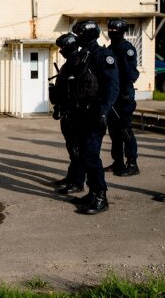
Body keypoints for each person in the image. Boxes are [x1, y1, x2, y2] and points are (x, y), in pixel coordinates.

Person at [69, 20, 119, 214]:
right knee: (84, 155)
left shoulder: (102, 56)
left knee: (91, 155)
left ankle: (101, 196)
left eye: (79, 34)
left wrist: (103, 111)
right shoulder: (83, 56)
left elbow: (111, 87)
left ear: (89, 35)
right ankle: (92, 192)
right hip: (81, 113)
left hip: (95, 114)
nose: (77, 38)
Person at [49, 33, 85, 195]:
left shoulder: (78, 63)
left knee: (76, 148)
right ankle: (72, 177)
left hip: (76, 112)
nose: (61, 50)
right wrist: (57, 105)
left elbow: (74, 90)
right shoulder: (69, 63)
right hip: (66, 110)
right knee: (71, 147)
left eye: (63, 47)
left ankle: (78, 182)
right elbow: (62, 89)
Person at [104, 19, 141, 177]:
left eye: (114, 30)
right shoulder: (111, 48)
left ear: (122, 31)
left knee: (125, 130)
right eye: (110, 30)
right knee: (114, 131)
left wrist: (123, 90)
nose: (111, 32)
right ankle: (117, 161)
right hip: (113, 97)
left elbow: (131, 74)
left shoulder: (127, 49)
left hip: (124, 96)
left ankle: (132, 163)